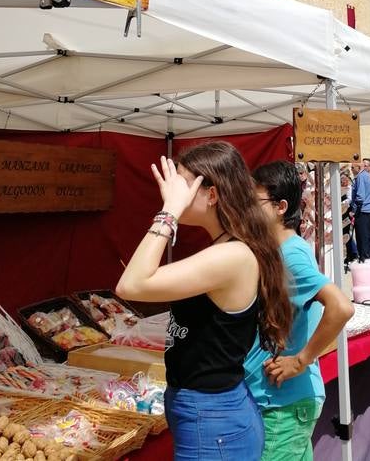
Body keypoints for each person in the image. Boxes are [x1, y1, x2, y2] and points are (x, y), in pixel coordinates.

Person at [116, 143, 293, 460]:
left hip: (214, 422)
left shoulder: (232, 255)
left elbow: (131, 285)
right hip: (212, 416)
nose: (173, 191)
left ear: (212, 195)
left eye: (183, 185)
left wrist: (169, 211)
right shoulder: (228, 248)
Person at [245, 162, 353, 461]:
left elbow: (341, 307)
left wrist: (300, 361)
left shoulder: (291, 256)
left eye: (254, 201)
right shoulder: (279, 250)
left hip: (283, 403)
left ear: (280, 207)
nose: (247, 209)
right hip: (278, 399)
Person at [350, 158, 370, 260]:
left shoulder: (361, 177)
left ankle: (364, 259)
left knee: (362, 237)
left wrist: (353, 210)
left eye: (352, 167)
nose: (351, 169)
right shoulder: (367, 176)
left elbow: (360, 196)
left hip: (363, 210)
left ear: (358, 167)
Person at [340, 172, 358, 268]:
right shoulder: (341, 188)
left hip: (348, 214)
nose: (342, 181)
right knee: (345, 234)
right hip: (343, 213)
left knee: (348, 234)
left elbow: (350, 200)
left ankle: (353, 254)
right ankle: (350, 255)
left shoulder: (349, 188)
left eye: (344, 179)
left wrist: (341, 203)